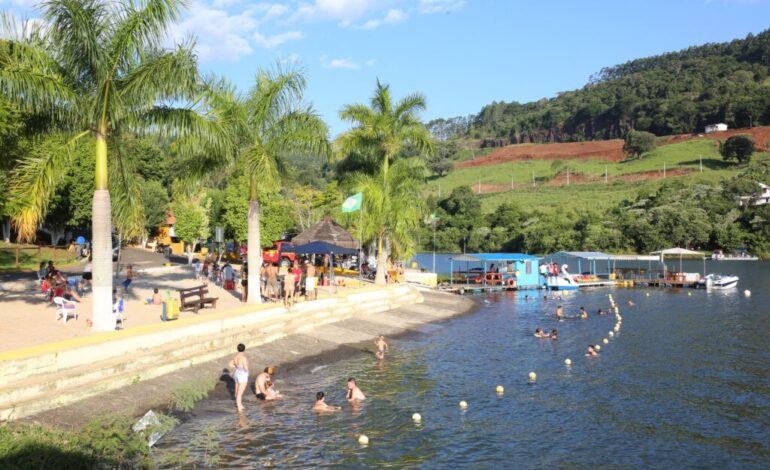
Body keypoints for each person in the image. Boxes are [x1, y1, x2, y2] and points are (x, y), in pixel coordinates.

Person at [229, 344, 249, 412]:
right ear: (244, 349)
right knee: (239, 394)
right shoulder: (243, 358)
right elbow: (246, 368)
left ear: (237, 349)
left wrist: (236, 367)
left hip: (237, 373)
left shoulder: (235, 357)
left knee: (237, 391)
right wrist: (246, 371)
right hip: (242, 374)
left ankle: (240, 405)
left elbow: (230, 364)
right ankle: (239, 409)